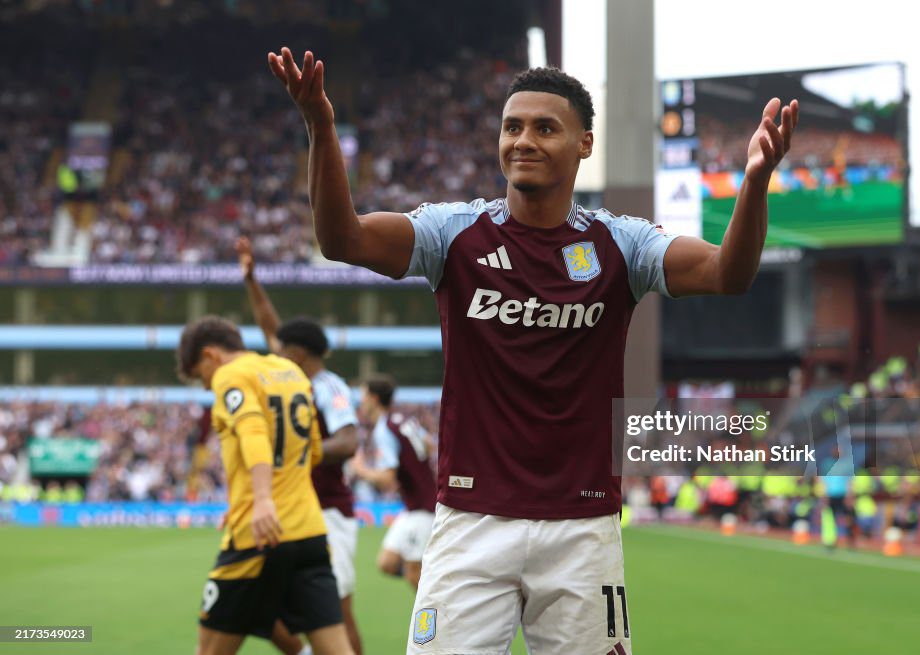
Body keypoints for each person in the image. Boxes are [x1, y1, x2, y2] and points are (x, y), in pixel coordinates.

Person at [268, 46, 798, 654]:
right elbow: (343, 239)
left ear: (584, 144)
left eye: (545, 128)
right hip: (471, 520)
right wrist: (320, 126)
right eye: (512, 127)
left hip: (583, 528)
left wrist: (755, 182)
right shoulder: (455, 233)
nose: (523, 140)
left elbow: (727, 274)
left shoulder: (621, 244)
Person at [176, 316, 353, 655]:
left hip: (258, 536)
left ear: (211, 355)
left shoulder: (231, 376)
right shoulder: (290, 372)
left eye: (200, 375)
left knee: (209, 650)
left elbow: (254, 433)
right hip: (310, 533)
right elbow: (313, 448)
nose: (204, 387)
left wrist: (261, 501)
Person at [235, 237, 364, 655]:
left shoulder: (329, 388)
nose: (275, 355)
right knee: (256, 604)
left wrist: (301, 453)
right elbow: (271, 326)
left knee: (337, 613)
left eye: (283, 352)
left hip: (328, 512)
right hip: (295, 510)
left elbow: (348, 441)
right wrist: (252, 281)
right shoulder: (292, 378)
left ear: (301, 354)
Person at [349, 374, 437, 590]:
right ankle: (436, 579)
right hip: (415, 505)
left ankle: (436, 619)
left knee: (413, 574)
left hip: (422, 510)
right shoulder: (403, 420)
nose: (361, 402)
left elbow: (387, 480)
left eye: (363, 396)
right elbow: (429, 445)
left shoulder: (384, 429)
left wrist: (360, 469)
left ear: (374, 398)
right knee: (387, 563)